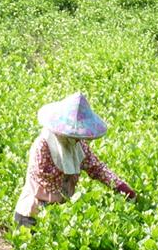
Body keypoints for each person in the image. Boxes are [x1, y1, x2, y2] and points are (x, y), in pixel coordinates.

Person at [13, 92, 137, 227]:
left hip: (59, 215)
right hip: (32, 214)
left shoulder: (77, 145)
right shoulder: (44, 145)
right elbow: (48, 182)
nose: (79, 138)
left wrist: (120, 186)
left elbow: (96, 167)